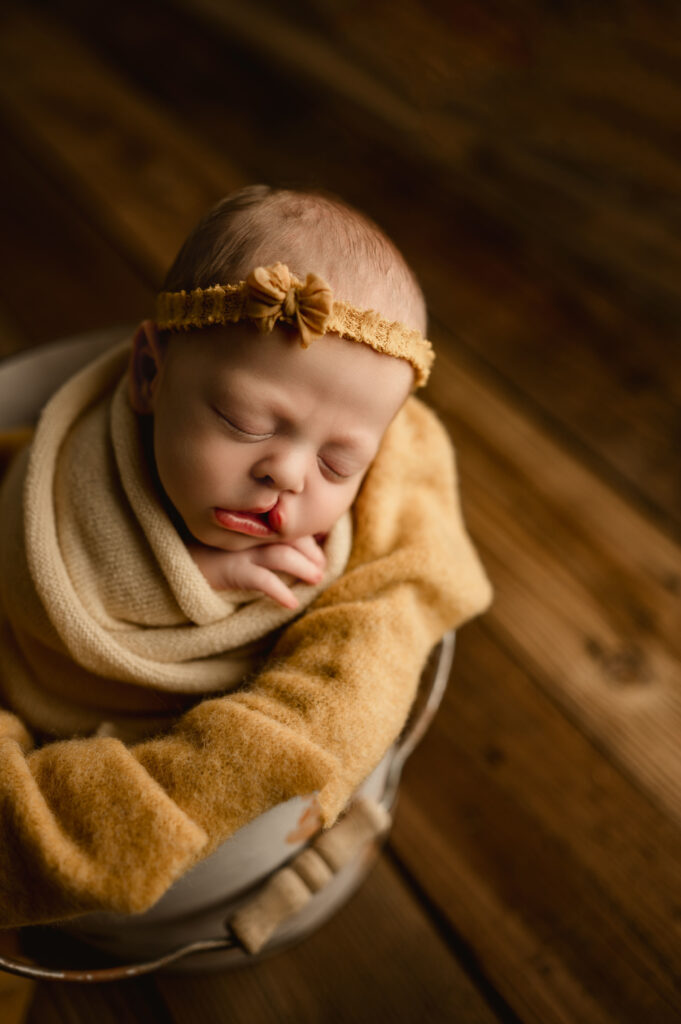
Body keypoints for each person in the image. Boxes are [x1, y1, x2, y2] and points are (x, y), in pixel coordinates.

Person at [0, 186, 491, 927]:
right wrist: (189, 581)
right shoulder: (75, 468)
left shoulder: (363, 527)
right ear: (147, 375)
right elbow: (37, 570)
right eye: (244, 422)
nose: (287, 475)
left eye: (338, 464)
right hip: (63, 702)